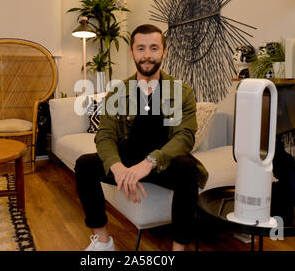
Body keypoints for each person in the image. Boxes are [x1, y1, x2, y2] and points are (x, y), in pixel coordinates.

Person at [75, 24, 208, 251]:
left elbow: (184, 137)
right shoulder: (118, 92)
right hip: (127, 158)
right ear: (132, 53)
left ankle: (178, 249)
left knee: (187, 168)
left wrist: (149, 162)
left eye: (154, 48)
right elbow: (105, 135)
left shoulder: (179, 91)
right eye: (141, 48)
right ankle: (104, 241)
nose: (147, 55)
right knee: (85, 164)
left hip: (162, 163)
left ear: (164, 52)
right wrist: (117, 167)